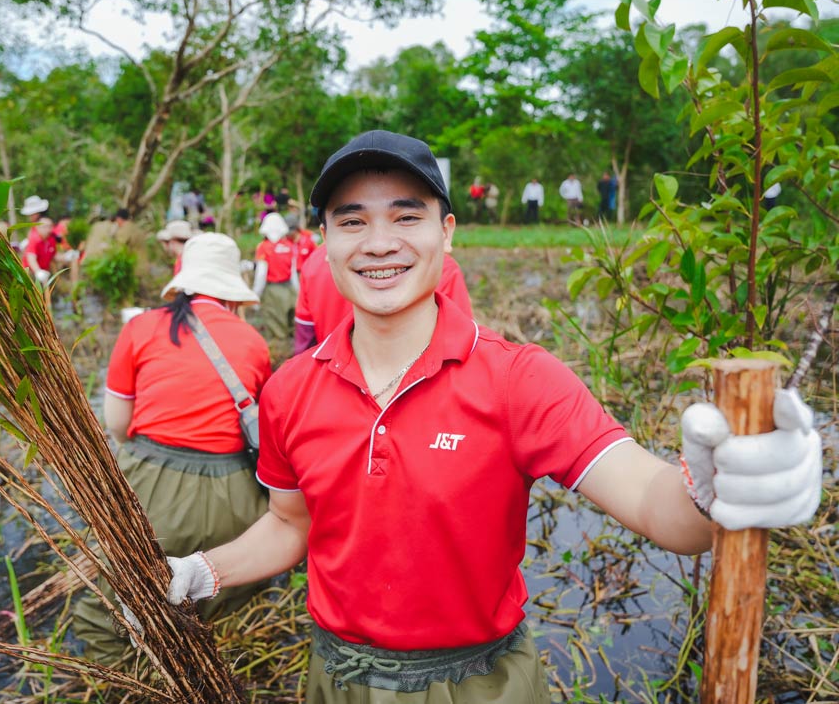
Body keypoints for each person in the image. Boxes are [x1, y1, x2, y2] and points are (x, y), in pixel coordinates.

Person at [150, 130, 821, 703]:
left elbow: (652, 501)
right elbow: (290, 524)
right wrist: (206, 569)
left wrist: (712, 492)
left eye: (406, 217)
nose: (378, 242)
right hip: (336, 678)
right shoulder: (291, 389)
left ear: (447, 231)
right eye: (352, 220)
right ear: (323, 240)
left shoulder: (519, 379)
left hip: (479, 683)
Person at [74, 232, 271, 663]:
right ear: (231, 293)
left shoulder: (141, 327)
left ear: (181, 282)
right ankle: (203, 665)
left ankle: (136, 680)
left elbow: (119, 426)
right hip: (234, 498)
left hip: (149, 489)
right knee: (213, 601)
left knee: (112, 604)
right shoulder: (253, 342)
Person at [294, 244, 473, 355]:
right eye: (352, 222)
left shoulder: (313, 264)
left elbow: (306, 344)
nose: (379, 246)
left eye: (406, 218)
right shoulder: (438, 267)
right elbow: (463, 347)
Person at [253, 213, 297, 341]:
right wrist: (297, 292)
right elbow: (293, 273)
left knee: (276, 326)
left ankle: (280, 354)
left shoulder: (263, 247)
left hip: (273, 291)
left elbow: (261, 274)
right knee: (291, 324)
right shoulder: (289, 246)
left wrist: (256, 294)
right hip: (289, 289)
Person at [20, 215, 58, 285]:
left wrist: (66, 256)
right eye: (45, 227)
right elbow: (31, 258)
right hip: (31, 271)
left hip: (45, 271)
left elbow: (54, 256)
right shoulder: (34, 239)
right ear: (37, 228)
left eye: (50, 226)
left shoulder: (51, 239)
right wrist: (38, 271)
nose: (48, 229)